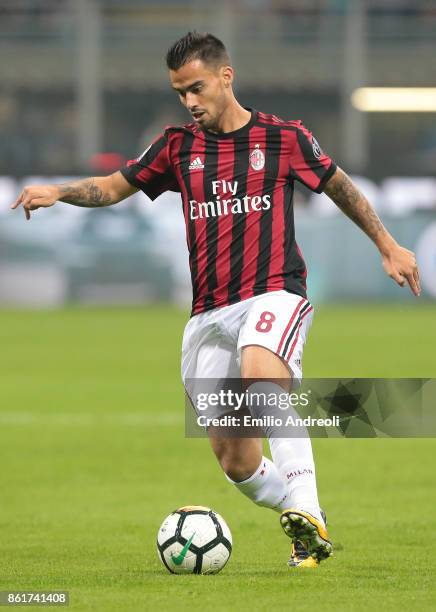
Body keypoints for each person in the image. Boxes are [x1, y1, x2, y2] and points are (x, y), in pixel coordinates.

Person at [11, 31, 420, 569]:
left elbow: (339, 186)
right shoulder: (178, 148)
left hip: (275, 292)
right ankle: (303, 521)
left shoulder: (284, 138)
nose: (190, 102)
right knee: (235, 458)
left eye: (196, 88)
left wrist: (387, 245)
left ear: (226, 77)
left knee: (261, 375)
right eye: (181, 92)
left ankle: (308, 514)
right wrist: (59, 191)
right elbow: (113, 187)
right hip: (209, 313)